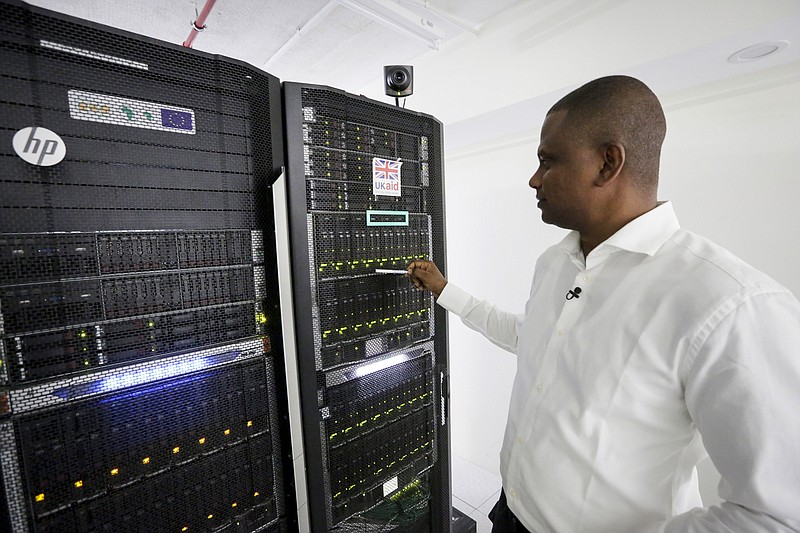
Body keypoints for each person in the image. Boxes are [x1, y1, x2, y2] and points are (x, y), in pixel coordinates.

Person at [406, 75, 800, 532]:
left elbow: (776, 514)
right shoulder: (555, 263)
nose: (534, 179)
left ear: (608, 163)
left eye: (547, 161)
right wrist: (444, 291)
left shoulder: (730, 303)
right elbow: (529, 336)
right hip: (510, 512)